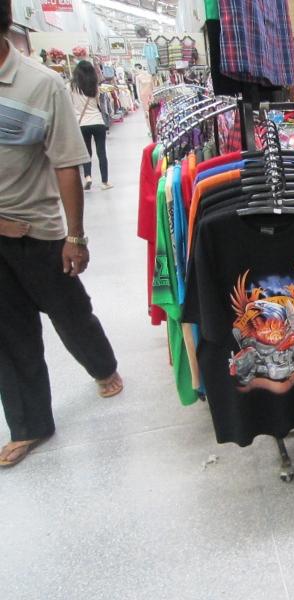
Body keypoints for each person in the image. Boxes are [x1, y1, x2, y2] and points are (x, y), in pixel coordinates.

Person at [0, 0, 123, 467]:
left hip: (37, 229)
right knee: (8, 332)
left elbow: (67, 163)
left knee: (70, 314)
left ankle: (103, 366)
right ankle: (29, 425)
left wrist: (76, 236)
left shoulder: (41, 83)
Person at [69, 60, 112, 191]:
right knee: (101, 152)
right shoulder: (94, 86)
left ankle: (88, 177)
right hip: (97, 122)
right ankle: (104, 182)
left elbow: (70, 105)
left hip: (82, 123)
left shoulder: (70, 87)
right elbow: (98, 104)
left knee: (86, 152)